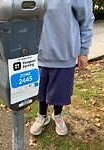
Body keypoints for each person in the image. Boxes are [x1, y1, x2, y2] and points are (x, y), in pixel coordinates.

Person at [30, 0, 95, 136]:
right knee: (40, 90)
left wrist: (84, 51)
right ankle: (42, 115)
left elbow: (86, 18)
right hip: (39, 52)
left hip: (65, 53)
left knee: (60, 91)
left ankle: (57, 115)